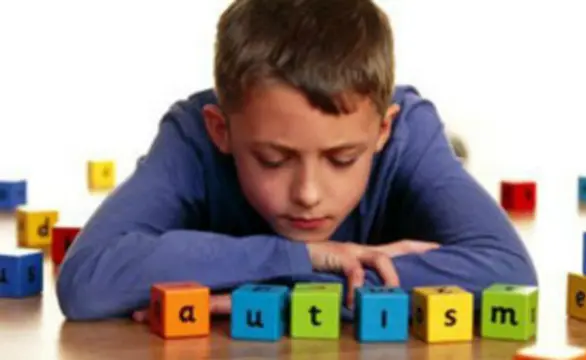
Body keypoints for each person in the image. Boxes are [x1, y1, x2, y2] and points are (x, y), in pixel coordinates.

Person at [56, 0, 537, 321]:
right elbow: (88, 281)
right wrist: (306, 255)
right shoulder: (191, 139)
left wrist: (286, 292)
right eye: (272, 159)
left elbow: (508, 273)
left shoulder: (409, 132)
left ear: (382, 132)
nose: (308, 193)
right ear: (221, 130)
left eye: (343, 159)